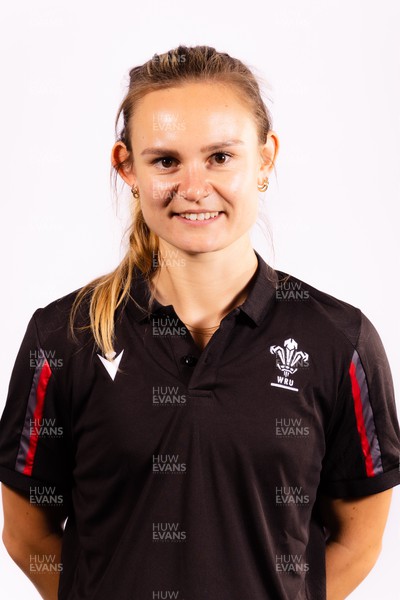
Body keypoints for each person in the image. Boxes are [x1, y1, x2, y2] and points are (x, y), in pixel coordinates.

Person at [0, 45, 399, 600]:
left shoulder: (339, 341)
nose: (193, 187)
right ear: (127, 167)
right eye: (166, 160)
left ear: (264, 159)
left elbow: (360, 540)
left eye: (220, 157)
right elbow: (27, 537)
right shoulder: (61, 339)